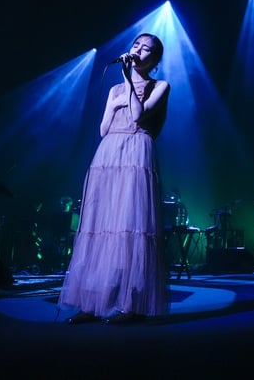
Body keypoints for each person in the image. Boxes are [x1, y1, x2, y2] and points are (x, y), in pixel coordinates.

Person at [58, 32, 171, 325]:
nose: (138, 51)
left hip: (137, 151)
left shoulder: (160, 86)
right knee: (101, 225)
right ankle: (91, 304)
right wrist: (117, 97)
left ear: (155, 59)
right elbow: (103, 128)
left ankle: (131, 305)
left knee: (130, 226)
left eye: (146, 49)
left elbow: (139, 116)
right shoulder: (114, 90)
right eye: (136, 45)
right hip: (110, 152)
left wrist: (127, 81)